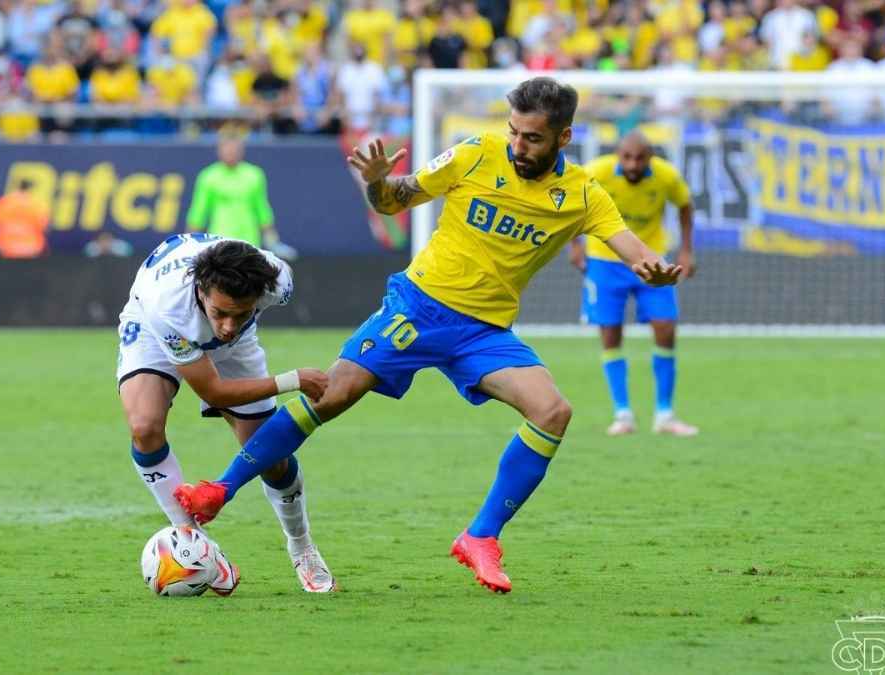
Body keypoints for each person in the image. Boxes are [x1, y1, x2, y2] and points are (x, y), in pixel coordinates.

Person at [175, 77, 683, 593]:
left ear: (563, 137)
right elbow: (393, 201)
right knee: (332, 392)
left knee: (553, 411)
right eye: (513, 132)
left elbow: (628, 243)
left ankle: (480, 536)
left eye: (532, 138)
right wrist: (377, 182)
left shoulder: (581, 194)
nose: (517, 145)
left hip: (483, 332)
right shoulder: (475, 154)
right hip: (417, 308)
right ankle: (220, 489)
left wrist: (653, 266)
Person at [117, 233, 335, 593]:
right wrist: (292, 380)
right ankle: (197, 546)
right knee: (144, 427)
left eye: (242, 313)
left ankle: (302, 547)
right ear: (201, 291)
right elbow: (213, 391)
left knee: (271, 458)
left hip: (237, 350)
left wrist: (231, 321)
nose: (228, 326)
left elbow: (236, 322)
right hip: (154, 330)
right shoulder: (168, 307)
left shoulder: (277, 281)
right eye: (220, 313)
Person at [569, 132, 698, 438]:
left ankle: (664, 414)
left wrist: (686, 250)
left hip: (650, 260)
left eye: (640, 158)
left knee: (665, 329)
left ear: (650, 157)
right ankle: (623, 414)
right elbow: (571, 202)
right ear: (618, 155)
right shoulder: (597, 172)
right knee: (610, 334)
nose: (633, 164)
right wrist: (575, 245)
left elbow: (685, 205)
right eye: (627, 157)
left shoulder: (666, 176)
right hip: (604, 261)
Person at [187, 134, 298, 260]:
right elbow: (198, 211)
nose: (230, 153)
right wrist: (190, 244)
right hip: (219, 240)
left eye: (234, 150)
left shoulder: (254, 174)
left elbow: (262, 208)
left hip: (250, 239)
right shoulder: (208, 176)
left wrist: (272, 240)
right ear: (219, 151)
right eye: (227, 150)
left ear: (241, 151)